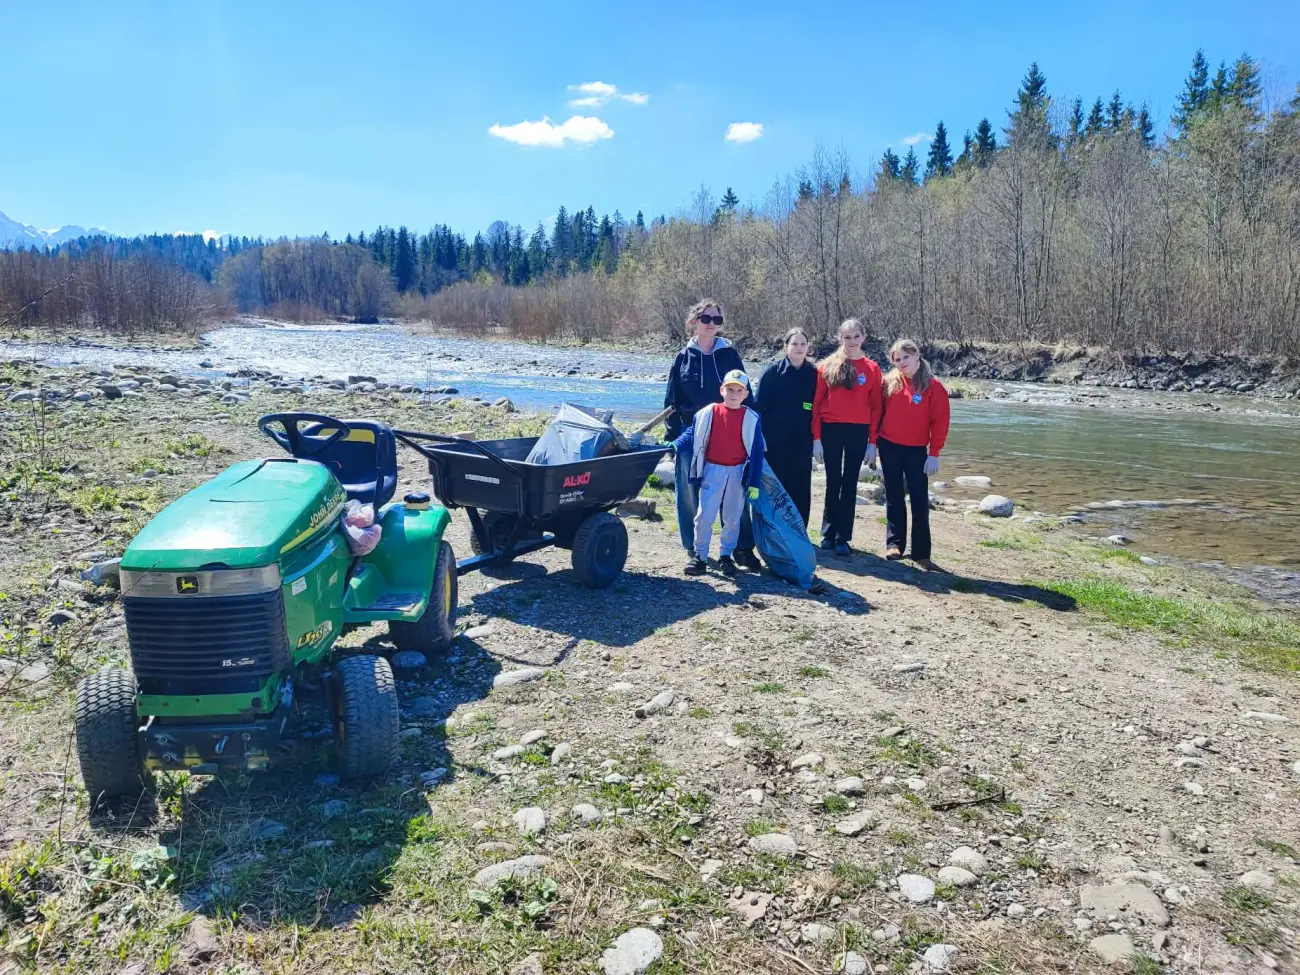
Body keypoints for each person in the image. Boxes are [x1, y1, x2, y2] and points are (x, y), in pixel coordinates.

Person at [663, 299, 760, 570]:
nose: (712, 325)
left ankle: (740, 548)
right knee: (690, 493)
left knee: (736, 492)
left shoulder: (729, 354)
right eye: (706, 319)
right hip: (691, 432)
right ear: (694, 320)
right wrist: (673, 439)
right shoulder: (683, 357)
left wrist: (752, 431)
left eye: (717, 320)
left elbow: (745, 391)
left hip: (730, 430)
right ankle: (694, 550)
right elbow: (671, 399)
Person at [667, 370, 765, 577]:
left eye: (739, 390)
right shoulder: (707, 413)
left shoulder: (751, 418)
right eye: (730, 389)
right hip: (713, 470)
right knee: (704, 515)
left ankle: (725, 556)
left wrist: (754, 483)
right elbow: (691, 434)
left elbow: (756, 453)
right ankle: (700, 556)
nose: (734, 393)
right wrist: (675, 445)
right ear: (722, 390)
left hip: (738, 473)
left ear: (746, 394)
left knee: (732, 518)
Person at [877, 337, 950, 571]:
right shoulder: (888, 383)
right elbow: (877, 413)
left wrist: (934, 453)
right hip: (888, 445)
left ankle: (921, 553)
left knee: (919, 500)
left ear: (917, 355)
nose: (901, 363)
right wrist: (872, 443)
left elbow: (940, 422)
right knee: (894, 495)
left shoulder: (933, 386)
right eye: (897, 359)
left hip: (917, 451)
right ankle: (895, 545)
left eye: (905, 357)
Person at [811, 318, 882, 556]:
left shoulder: (872, 369)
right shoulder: (827, 366)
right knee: (833, 481)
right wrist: (816, 438)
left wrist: (873, 443)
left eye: (856, 336)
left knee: (850, 482)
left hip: (858, 431)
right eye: (847, 337)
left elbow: (875, 408)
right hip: (831, 429)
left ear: (863, 337)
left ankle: (844, 536)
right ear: (840, 338)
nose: (852, 341)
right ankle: (828, 533)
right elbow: (817, 404)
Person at [754, 327, 818, 526]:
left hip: (802, 442)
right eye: (794, 344)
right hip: (774, 443)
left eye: (802, 344)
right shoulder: (773, 373)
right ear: (786, 346)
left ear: (808, 347)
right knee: (775, 487)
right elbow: (758, 408)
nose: (799, 348)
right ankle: (773, 530)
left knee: (800, 488)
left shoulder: (815, 375)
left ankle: (799, 532)